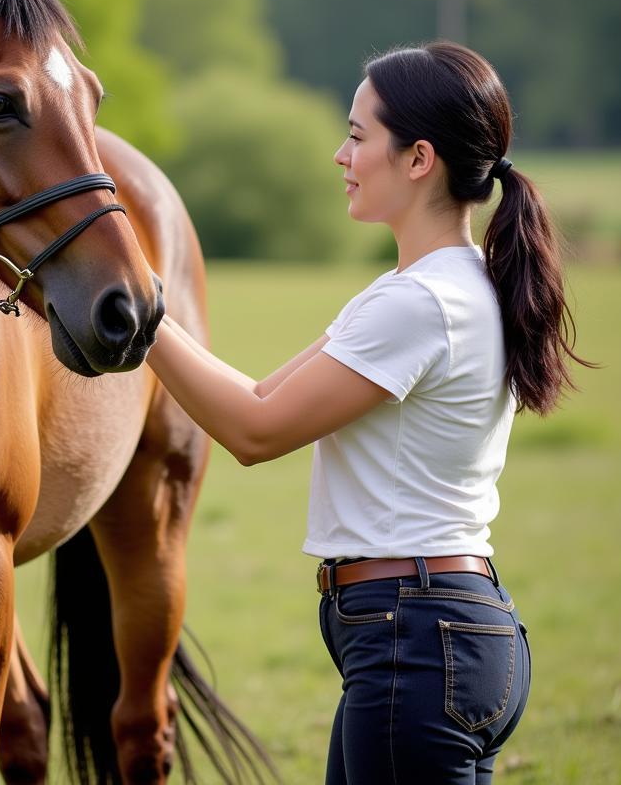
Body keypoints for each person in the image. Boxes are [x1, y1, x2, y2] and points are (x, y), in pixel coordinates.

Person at [147, 41, 590, 784]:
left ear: (419, 159)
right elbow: (258, 398)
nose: (339, 155)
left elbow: (254, 435)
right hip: (442, 634)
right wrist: (147, 315)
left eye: (357, 136)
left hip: (415, 642)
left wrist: (140, 317)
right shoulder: (447, 285)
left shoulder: (419, 304)